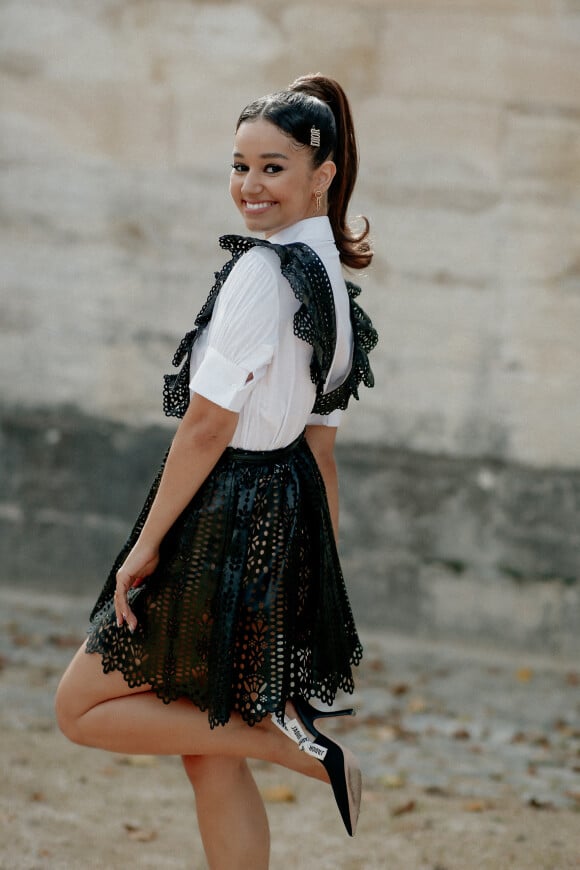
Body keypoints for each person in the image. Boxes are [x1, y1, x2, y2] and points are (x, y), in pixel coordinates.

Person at [55, 72, 378, 868]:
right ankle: (277, 745)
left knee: (80, 708)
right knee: (209, 752)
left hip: (224, 509)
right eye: (239, 166)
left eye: (273, 167)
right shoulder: (334, 286)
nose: (250, 186)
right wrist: (312, 572)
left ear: (323, 172)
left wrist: (143, 548)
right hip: (281, 510)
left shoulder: (262, 275)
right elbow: (320, 450)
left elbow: (206, 426)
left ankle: (299, 751)